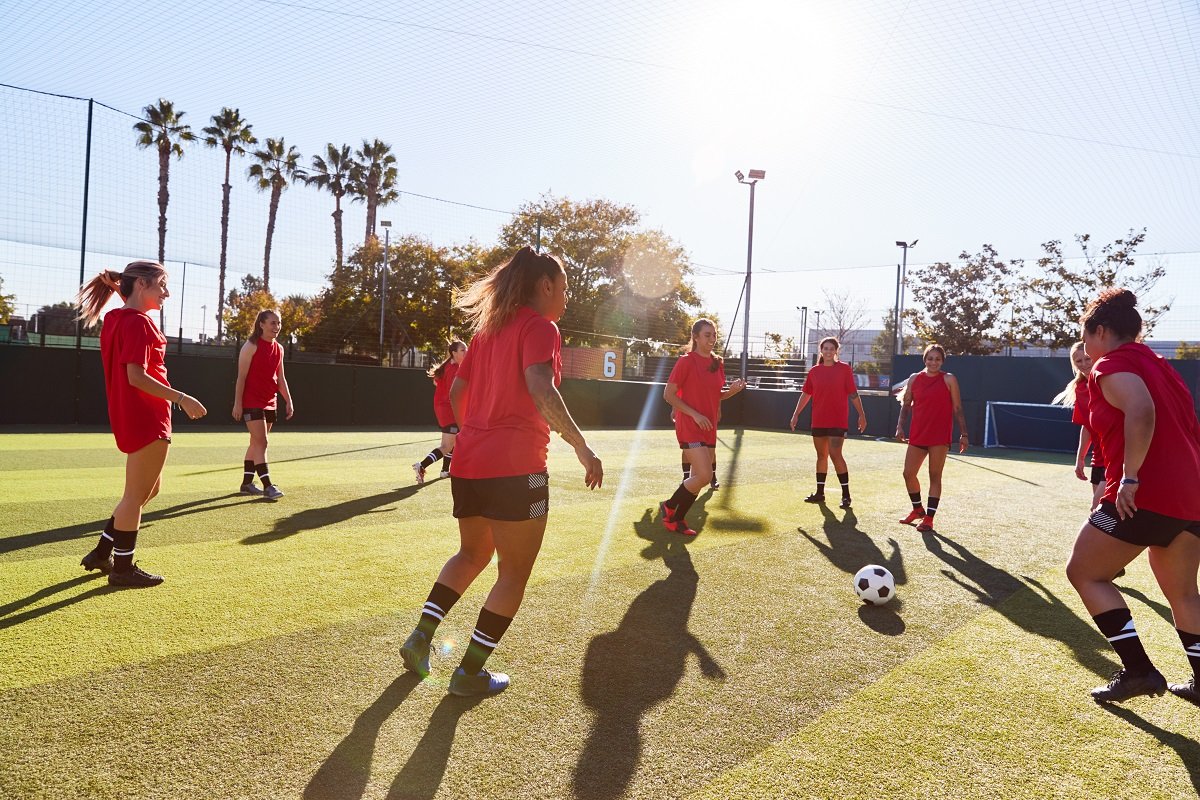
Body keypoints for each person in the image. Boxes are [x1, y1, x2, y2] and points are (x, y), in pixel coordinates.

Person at [398, 247, 603, 697]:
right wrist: (582, 445)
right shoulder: (540, 327)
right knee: (513, 574)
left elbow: (457, 391)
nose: (566, 298)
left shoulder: (487, 332)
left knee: (470, 555)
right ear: (545, 285)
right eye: (565, 287)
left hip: (469, 464)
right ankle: (469, 673)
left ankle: (420, 637)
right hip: (517, 469)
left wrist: (474, 431)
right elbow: (539, 385)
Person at [1064, 289, 1200, 706]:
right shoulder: (1159, 365)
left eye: (1085, 337)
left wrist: (1130, 478)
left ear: (1101, 331)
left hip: (1145, 494)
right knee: (1183, 593)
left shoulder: (1112, 363)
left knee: (1085, 572)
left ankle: (1139, 671)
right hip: (1190, 498)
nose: (1085, 348)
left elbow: (1141, 412)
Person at [76, 261, 208, 587]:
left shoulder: (117, 318)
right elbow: (136, 376)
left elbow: (133, 368)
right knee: (134, 496)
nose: (167, 292)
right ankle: (122, 569)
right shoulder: (138, 323)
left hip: (133, 415)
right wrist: (182, 398)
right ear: (142, 285)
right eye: (161, 285)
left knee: (150, 489)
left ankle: (103, 551)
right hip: (147, 416)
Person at [659, 319, 747, 536]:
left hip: (709, 426)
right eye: (707, 335)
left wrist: (732, 392)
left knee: (699, 477)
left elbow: (715, 395)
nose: (712, 339)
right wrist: (695, 415)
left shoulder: (718, 362)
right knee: (705, 475)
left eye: (714, 334)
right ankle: (669, 506)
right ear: (695, 337)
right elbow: (668, 395)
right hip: (690, 424)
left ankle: (677, 520)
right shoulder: (686, 362)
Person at [894, 344, 967, 533]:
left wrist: (964, 434)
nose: (933, 362)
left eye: (937, 359)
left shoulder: (949, 379)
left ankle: (929, 518)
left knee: (935, 476)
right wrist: (900, 426)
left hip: (939, 435)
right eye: (930, 358)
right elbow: (906, 404)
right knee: (908, 474)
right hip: (918, 434)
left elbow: (958, 408)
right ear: (924, 359)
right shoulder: (914, 378)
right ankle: (917, 509)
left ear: (942, 361)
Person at [790, 336, 868, 509]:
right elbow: (806, 394)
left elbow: (853, 393)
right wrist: (796, 414)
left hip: (838, 420)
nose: (828, 351)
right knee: (821, 456)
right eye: (825, 348)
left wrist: (862, 415)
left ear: (836, 351)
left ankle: (846, 495)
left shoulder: (844, 369)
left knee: (835, 454)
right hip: (818, 420)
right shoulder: (814, 372)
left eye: (831, 348)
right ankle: (820, 493)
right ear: (821, 350)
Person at [232, 309, 293, 499]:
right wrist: (237, 404)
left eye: (279, 323)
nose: (277, 327)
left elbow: (281, 378)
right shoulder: (250, 346)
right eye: (273, 323)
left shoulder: (280, 349)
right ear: (262, 325)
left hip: (270, 402)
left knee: (256, 442)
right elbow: (241, 377)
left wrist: (288, 401)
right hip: (252, 401)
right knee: (262, 442)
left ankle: (247, 483)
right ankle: (268, 486)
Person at [1053, 341, 1105, 511]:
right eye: (1078, 361)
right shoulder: (1080, 388)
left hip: (1116, 457)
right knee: (1103, 514)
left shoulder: (1109, 382)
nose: (1084, 364)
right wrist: (1080, 458)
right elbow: (1087, 427)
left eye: (1087, 359)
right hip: (1098, 458)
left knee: (1097, 510)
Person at [412, 340, 467, 484]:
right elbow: (454, 393)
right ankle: (421, 466)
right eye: (463, 350)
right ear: (454, 353)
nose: (466, 353)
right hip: (449, 410)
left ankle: (444, 471)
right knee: (447, 445)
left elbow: (438, 382)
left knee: (452, 441)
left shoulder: (450, 366)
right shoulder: (454, 369)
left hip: (445, 408)